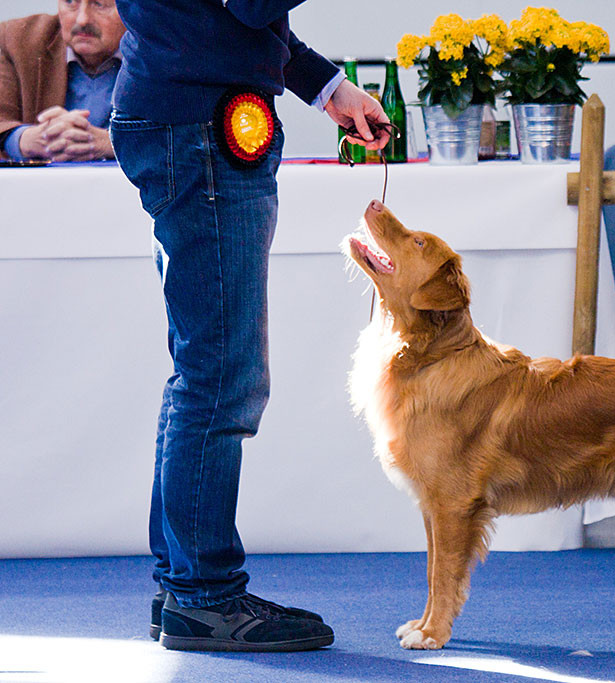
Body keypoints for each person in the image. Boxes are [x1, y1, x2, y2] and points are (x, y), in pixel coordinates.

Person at [109, 0, 390, 653]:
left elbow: (233, 14)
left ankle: (186, 588)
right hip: (199, 122)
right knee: (219, 374)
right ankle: (203, 597)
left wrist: (327, 86)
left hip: (184, 109)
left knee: (203, 367)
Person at [0, 0, 125, 161]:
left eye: (99, 4)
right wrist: (25, 139)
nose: (82, 19)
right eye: (70, 2)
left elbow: (166, 137)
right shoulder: (16, 39)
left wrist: (113, 143)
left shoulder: (159, 46)